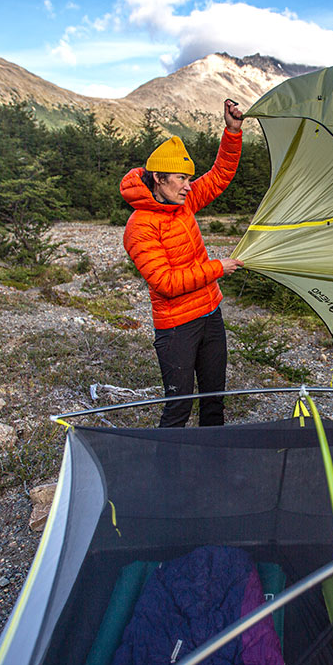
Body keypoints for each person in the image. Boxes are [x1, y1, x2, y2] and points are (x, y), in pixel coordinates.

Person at [121, 99, 245, 427]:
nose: (189, 185)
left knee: (213, 401)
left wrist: (232, 132)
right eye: (181, 178)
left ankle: (211, 466)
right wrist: (219, 268)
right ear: (159, 179)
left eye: (189, 179)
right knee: (178, 408)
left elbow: (219, 177)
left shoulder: (183, 202)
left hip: (210, 314)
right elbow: (166, 283)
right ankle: (169, 475)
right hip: (176, 327)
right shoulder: (140, 225)